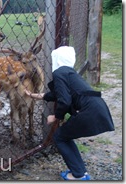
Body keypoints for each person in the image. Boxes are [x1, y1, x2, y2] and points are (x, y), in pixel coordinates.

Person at [24, 46, 114, 180]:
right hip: (98, 109)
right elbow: (58, 94)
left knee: (60, 136)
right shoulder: (70, 73)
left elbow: (64, 101)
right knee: (65, 136)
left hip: (89, 112)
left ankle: (78, 175)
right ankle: (80, 172)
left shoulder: (59, 73)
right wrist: (33, 95)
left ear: (57, 59)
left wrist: (55, 117)